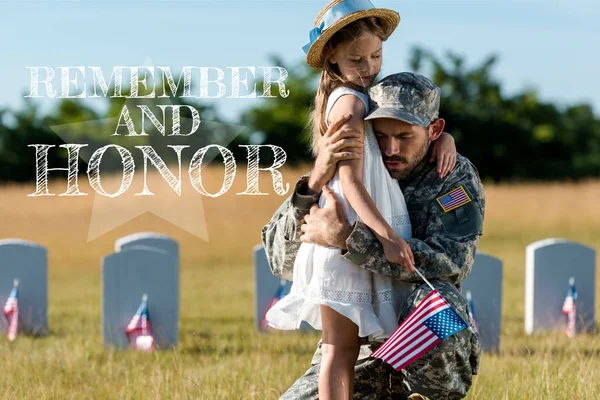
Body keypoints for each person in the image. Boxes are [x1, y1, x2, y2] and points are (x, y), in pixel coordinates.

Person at [264, 1, 457, 399]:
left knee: (348, 346)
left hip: (360, 227)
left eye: (376, 55)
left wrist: (446, 138)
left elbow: (413, 123)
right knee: (340, 346)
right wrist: (386, 235)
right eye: (357, 58)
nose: (369, 66)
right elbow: (351, 182)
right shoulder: (350, 102)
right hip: (350, 227)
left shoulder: (363, 95)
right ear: (331, 55)